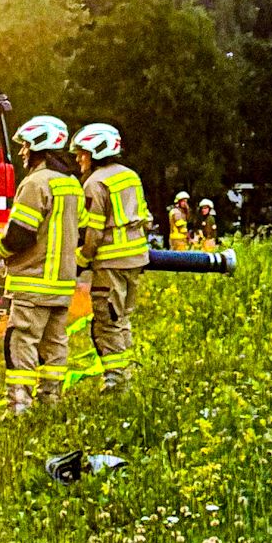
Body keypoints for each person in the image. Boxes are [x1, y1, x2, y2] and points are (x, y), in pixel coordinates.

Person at [0, 115, 82, 414]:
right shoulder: (72, 185)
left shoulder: (35, 183)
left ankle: (19, 408)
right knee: (54, 346)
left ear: (39, 147)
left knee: (21, 344)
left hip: (32, 285)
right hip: (61, 286)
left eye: (26, 146)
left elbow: (20, 236)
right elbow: (81, 229)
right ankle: (51, 404)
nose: (22, 153)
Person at [73, 121, 152, 392]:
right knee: (122, 320)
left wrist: (81, 260)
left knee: (106, 323)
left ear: (97, 152)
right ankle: (127, 374)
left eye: (82, 153)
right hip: (136, 260)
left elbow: (93, 232)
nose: (79, 159)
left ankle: (116, 382)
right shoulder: (131, 176)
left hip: (110, 263)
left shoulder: (95, 183)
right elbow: (145, 218)